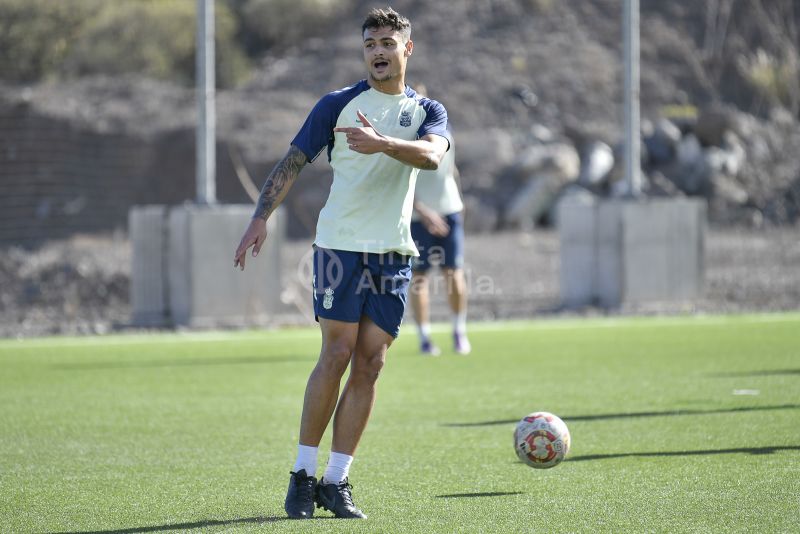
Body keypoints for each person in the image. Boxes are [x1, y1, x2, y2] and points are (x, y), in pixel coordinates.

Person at [233, 7, 449, 520]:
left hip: (394, 253)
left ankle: (337, 480)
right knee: (337, 353)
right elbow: (291, 162)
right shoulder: (336, 104)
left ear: (407, 50)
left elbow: (433, 155)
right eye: (370, 43)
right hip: (339, 246)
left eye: (387, 43)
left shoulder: (428, 110)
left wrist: (382, 144)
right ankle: (302, 476)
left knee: (371, 364)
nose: (378, 51)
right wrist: (259, 218)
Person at [409, 85, 471, 356]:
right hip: (417, 217)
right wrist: (423, 211)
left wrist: (459, 203)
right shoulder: (404, 137)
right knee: (419, 278)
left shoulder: (444, 130)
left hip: (450, 211)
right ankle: (425, 338)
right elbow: (396, 183)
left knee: (454, 275)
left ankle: (459, 330)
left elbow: (451, 170)